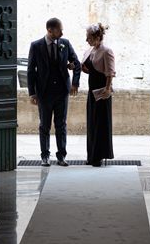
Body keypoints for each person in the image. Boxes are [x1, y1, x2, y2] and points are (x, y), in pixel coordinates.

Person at [27, 17, 81, 167]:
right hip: (44, 93)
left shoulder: (65, 43)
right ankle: (45, 156)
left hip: (62, 91)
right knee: (44, 125)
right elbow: (31, 71)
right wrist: (32, 93)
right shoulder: (36, 46)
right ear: (50, 30)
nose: (62, 33)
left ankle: (61, 156)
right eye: (59, 30)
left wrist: (75, 82)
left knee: (61, 124)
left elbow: (77, 63)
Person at [81, 23, 115, 167]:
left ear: (96, 37)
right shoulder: (91, 50)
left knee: (100, 124)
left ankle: (98, 157)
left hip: (102, 92)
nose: (86, 40)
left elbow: (109, 73)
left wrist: (107, 89)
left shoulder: (106, 51)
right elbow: (91, 69)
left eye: (88, 37)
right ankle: (92, 156)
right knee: (92, 123)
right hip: (91, 91)